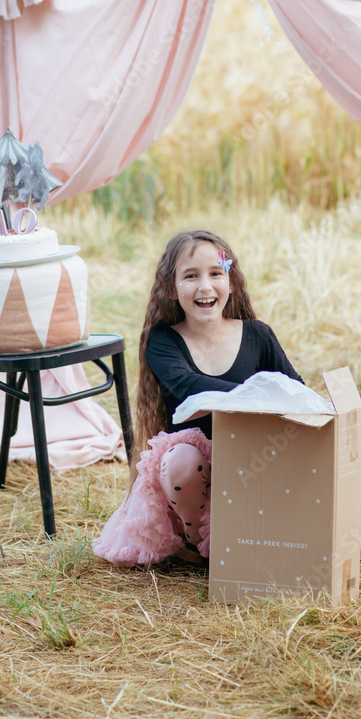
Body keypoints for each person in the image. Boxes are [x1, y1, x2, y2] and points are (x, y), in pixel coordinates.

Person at [92, 229, 303, 567]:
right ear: (172, 289)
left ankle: (254, 533)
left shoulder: (257, 335)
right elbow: (190, 385)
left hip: (254, 459)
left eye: (216, 273)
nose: (205, 286)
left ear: (230, 282)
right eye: (191, 276)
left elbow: (295, 389)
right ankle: (198, 547)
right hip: (195, 474)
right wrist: (260, 395)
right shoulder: (163, 341)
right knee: (180, 461)